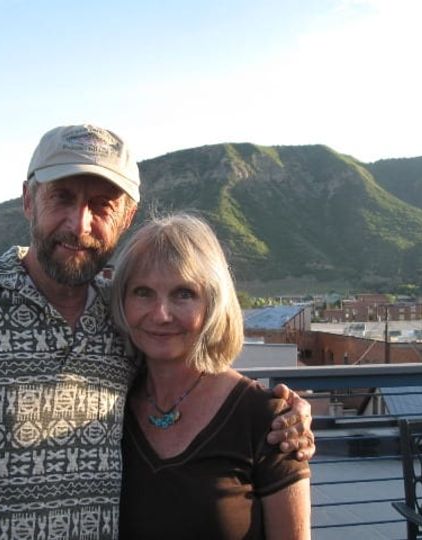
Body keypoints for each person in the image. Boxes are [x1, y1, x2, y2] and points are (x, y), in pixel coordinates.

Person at [0, 124, 314, 540]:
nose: (79, 223)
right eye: (62, 198)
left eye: (102, 206)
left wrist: (285, 414)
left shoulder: (124, 313)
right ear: (28, 200)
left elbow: (190, 370)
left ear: (126, 217)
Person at [112, 213, 311, 539]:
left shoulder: (270, 420)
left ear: (213, 303)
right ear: (122, 301)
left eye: (183, 293)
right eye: (143, 292)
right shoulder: (108, 408)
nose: (161, 315)